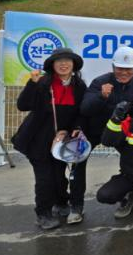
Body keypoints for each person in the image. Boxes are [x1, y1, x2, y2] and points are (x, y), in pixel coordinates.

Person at [14, 48, 87, 229]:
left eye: (67, 60)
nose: (63, 64)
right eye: (59, 61)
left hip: (61, 141)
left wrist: (74, 129)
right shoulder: (42, 83)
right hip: (38, 139)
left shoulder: (79, 86)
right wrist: (32, 84)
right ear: (52, 65)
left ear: (74, 65)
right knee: (45, 179)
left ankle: (61, 202)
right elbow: (23, 105)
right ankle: (43, 213)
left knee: (59, 177)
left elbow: (80, 112)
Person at [80, 46, 133, 214]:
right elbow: (85, 109)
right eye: (120, 68)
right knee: (78, 161)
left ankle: (130, 194)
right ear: (113, 67)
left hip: (120, 132)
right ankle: (76, 205)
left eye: (128, 69)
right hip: (94, 130)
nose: (124, 72)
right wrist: (101, 96)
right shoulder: (99, 82)